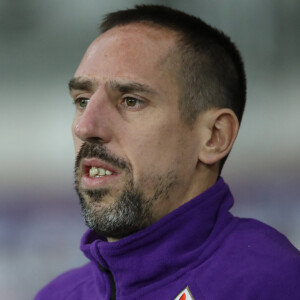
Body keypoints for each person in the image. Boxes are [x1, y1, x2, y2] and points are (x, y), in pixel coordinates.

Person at [35, 5, 300, 300]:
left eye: (131, 101)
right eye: (83, 100)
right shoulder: (56, 295)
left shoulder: (273, 281)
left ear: (214, 136)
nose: (85, 127)